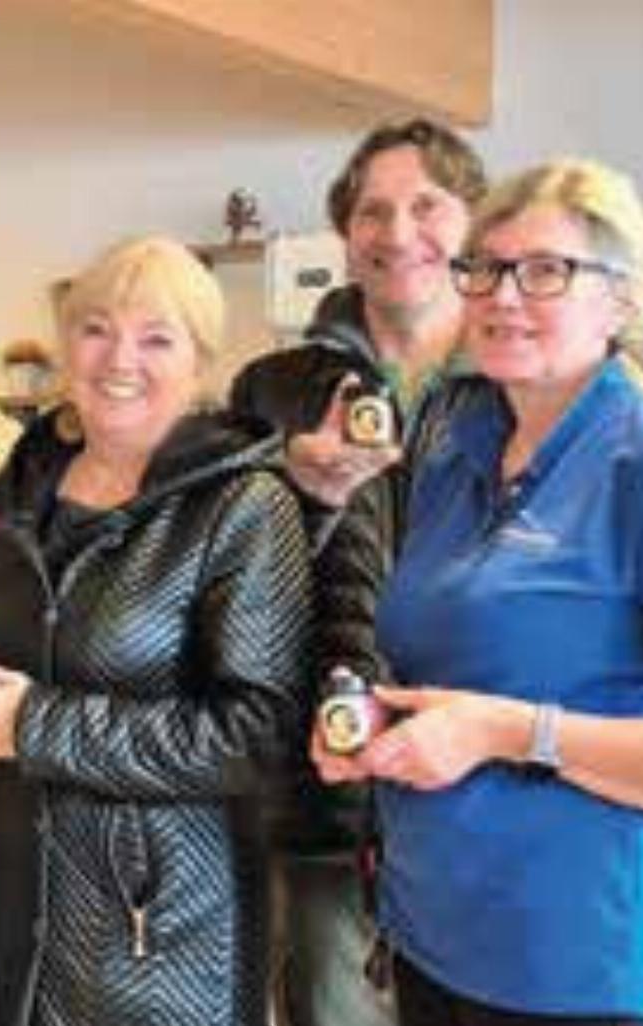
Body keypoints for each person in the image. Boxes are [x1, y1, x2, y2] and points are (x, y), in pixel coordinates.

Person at [318, 158, 643, 1024]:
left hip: (582, 971)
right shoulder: (456, 457)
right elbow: (464, 676)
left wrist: (507, 732)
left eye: (546, 272)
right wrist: (385, 728)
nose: (504, 297)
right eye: (485, 270)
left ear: (620, 300)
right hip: (436, 945)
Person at [0, 236, 312, 1026]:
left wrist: (34, 725)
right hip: (1, 920)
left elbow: (257, 735)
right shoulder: (25, 480)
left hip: (150, 949)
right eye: (96, 328)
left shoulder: (246, 507)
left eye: (156, 338)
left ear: (199, 364)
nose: (119, 357)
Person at [227, 117, 488, 1026]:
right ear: (345, 233)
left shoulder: (525, 379)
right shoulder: (270, 389)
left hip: (486, 788)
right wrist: (299, 493)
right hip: (324, 792)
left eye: (426, 205)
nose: (396, 231)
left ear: (475, 224)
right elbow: (222, 585)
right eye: (372, 210)